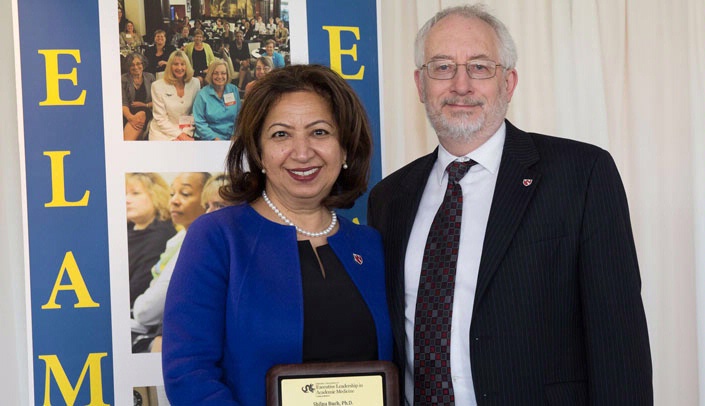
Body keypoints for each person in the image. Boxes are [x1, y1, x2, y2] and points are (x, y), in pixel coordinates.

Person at [367, 5, 653, 405]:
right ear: (420, 83)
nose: (461, 85)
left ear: (509, 82)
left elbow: (620, 344)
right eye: (443, 67)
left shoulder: (581, 174)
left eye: (480, 67)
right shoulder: (389, 198)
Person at [162, 64, 393, 405]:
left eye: (319, 132)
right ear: (258, 152)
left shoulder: (371, 245)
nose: (302, 152)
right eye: (281, 134)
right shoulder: (216, 238)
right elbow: (189, 372)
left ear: (344, 148)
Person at [131, 172, 210, 352]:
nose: (174, 200)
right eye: (172, 193)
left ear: (204, 200)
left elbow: (147, 311)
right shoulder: (176, 239)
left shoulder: (194, 243)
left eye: (185, 193)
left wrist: (139, 306)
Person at [125, 173, 176, 307]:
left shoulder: (162, 235)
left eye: (135, 193)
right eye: (125, 194)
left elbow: (138, 288)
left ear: (156, 196)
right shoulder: (127, 229)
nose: (126, 199)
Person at [148, 50, 201, 141]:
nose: (179, 67)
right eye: (175, 64)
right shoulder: (157, 86)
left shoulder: (195, 83)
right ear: (169, 66)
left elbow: (195, 112)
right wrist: (179, 135)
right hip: (162, 132)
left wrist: (185, 133)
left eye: (182, 64)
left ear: (187, 66)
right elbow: (160, 119)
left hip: (186, 128)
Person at [193, 59, 241, 141]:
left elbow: (239, 116)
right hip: (210, 138)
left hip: (233, 137)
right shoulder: (202, 94)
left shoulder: (234, 90)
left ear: (227, 75)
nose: (219, 77)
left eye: (223, 73)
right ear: (211, 75)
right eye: (216, 73)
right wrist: (214, 138)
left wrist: (235, 135)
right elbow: (199, 121)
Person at [121, 53, 155, 141]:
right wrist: (130, 118)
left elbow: (158, 100)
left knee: (141, 114)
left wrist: (145, 105)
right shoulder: (123, 79)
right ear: (128, 66)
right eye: (132, 65)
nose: (136, 67)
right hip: (127, 111)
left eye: (138, 63)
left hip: (146, 109)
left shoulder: (150, 77)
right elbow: (123, 102)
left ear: (143, 64)